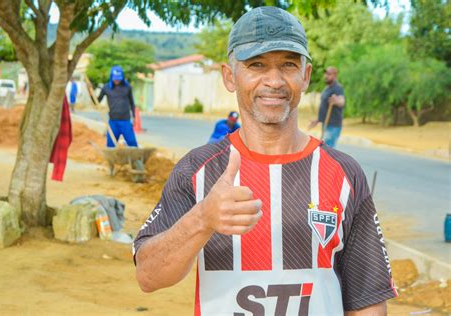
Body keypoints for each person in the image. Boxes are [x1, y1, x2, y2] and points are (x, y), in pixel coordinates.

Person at [133, 7, 396, 315]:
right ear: (230, 77)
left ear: (305, 76)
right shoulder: (197, 171)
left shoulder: (344, 174)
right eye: (256, 64)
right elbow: (148, 276)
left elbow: (367, 300)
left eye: (288, 64)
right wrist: (202, 218)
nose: (274, 80)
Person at [98, 66, 138, 147]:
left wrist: (134, 117)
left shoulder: (127, 87)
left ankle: (135, 158)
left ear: (122, 77)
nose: (117, 80)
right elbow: (97, 100)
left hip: (125, 121)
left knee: (132, 143)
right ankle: (112, 159)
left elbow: (132, 103)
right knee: (110, 144)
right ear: (111, 77)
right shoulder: (106, 88)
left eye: (118, 78)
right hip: (113, 121)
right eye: (115, 78)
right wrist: (90, 93)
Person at [308, 66, 345, 148]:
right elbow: (324, 107)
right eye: (325, 73)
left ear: (335, 76)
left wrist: (336, 101)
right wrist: (318, 120)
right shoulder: (327, 88)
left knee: (327, 150)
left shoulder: (337, 88)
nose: (326, 76)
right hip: (326, 123)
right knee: (325, 149)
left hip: (333, 125)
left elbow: (342, 101)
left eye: (329, 74)